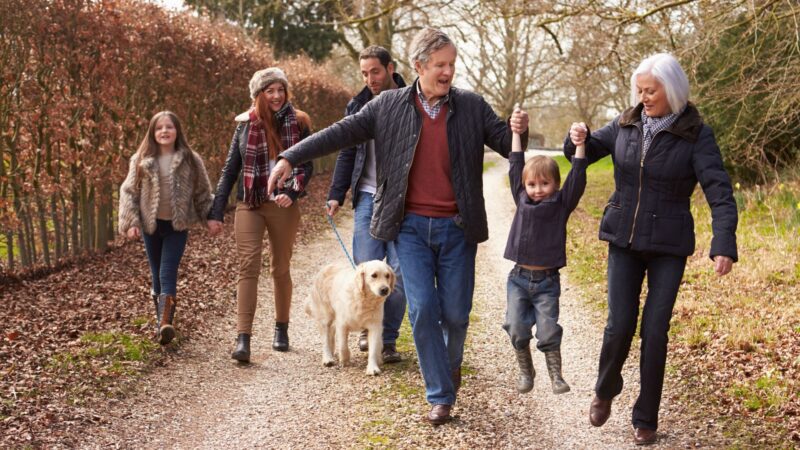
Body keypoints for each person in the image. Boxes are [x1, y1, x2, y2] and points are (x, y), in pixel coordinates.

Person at [269, 28, 529, 425]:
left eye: (451, 64)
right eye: (440, 65)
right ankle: (439, 394)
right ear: (419, 66)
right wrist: (291, 156)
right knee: (422, 309)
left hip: (458, 228)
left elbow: (507, 143)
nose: (447, 72)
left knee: (456, 314)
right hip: (409, 228)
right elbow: (340, 133)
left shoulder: (472, 106)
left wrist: (518, 130)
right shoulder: (388, 105)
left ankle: (448, 365)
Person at [564, 53, 737, 445]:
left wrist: (723, 242)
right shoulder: (626, 122)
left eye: (650, 91)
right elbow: (584, 152)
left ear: (672, 90)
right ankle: (605, 389)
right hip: (623, 239)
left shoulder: (695, 134)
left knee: (655, 330)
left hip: (668, 246)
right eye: (639, 90)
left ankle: (646, 416)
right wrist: (578, 137)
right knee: (619, 323)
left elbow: (719, 191)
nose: (643, 97)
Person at [207, 68, 314, 363]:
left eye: (281, 90)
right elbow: (230, 169)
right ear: (259, 95)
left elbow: (307, 165)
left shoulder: (299, 122)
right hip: (250, 203)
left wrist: (292, 193)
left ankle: (281, 327)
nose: (277, 96)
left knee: (280, 267)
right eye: (270, 91)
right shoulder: (244, 125)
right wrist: (217, 210)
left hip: (283, 204)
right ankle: (243, 338)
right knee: (248, 266)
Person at [325, 45, 407, 363]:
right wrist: (337, 193)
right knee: (365, 270)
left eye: (375, 71)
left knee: (398, 272)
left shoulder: (411, 100)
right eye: (364, 73)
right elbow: (347, 151)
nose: (370, 78)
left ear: (390, 68)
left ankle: (386, 339)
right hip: (367, 197)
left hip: (402, 199)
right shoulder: (357, 105)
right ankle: (365, 328)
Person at [118, 111, 213, 345]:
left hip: (176, 226)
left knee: (167, 270)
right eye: (159, 128)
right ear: (152, 133)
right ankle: (161, 322)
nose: (164, 131)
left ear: (177, 130)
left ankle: (165, 324)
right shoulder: (141, 160)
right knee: (156, 273)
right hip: (151, 227)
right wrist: (131, 222)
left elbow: (202, 192)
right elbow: (129, 192)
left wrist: (211, 217)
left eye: (169, 127)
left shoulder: (191, 160)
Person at [503, 130, 587, 396]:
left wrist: (580, 145)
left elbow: (578, 176)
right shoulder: (521, 199)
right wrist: (516, 133)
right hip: (518, 279)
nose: (537, 190)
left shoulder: (561, 204)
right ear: (524, 186)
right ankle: (526, 371)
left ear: (556, 185)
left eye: (544, 184)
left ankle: (556, 376)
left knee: (548, 330)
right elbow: (516, 162)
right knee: (516, 327)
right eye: (532, 184)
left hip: (547, 283)